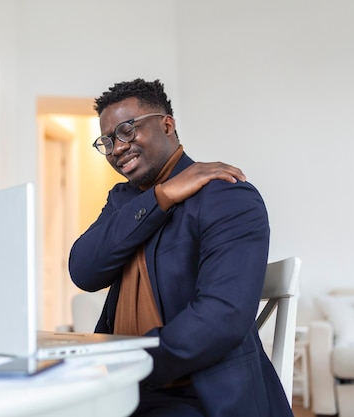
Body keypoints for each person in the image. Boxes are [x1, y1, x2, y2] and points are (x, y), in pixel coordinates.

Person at [68, 79, 292, 417]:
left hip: (198, 397)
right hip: (122, 390)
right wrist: (161, 197)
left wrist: (133, 361)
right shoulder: (123, 200)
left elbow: (222, 317)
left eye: (127, 130)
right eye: (108, 140)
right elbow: (83, 270)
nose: (117, 148)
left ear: (167, 124)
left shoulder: (227, 195)